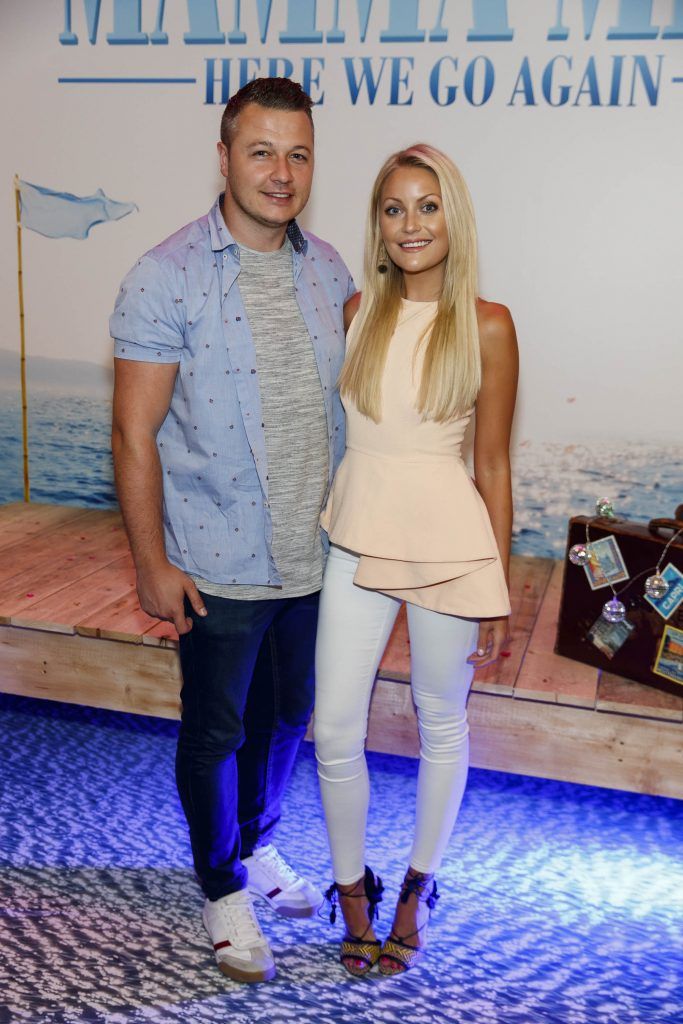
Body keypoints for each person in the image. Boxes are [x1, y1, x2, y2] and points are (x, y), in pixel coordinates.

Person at [110, 77, 355, 984]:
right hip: (214, 560)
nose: (280, 172)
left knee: (289, 715)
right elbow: (133, 432)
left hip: (316, 558)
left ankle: (255, 848)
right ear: (223, 157)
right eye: (261, 151)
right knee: (214, 731)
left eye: (298, 153)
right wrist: (149, 561)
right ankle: (220, 885)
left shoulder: (329, 270)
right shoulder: (164, 274)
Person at [314, 144, 518, 976]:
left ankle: (415, 888)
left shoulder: (490, 323)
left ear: (452, 216)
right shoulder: (357, 309)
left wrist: (498, 590)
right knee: (331, 725)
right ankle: (350, 890)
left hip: (448, 547)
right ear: (378, 224)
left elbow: (494, 465)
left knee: (442, 723)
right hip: (357, 533)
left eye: (426, 206)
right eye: (394, 209)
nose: (410, 224)